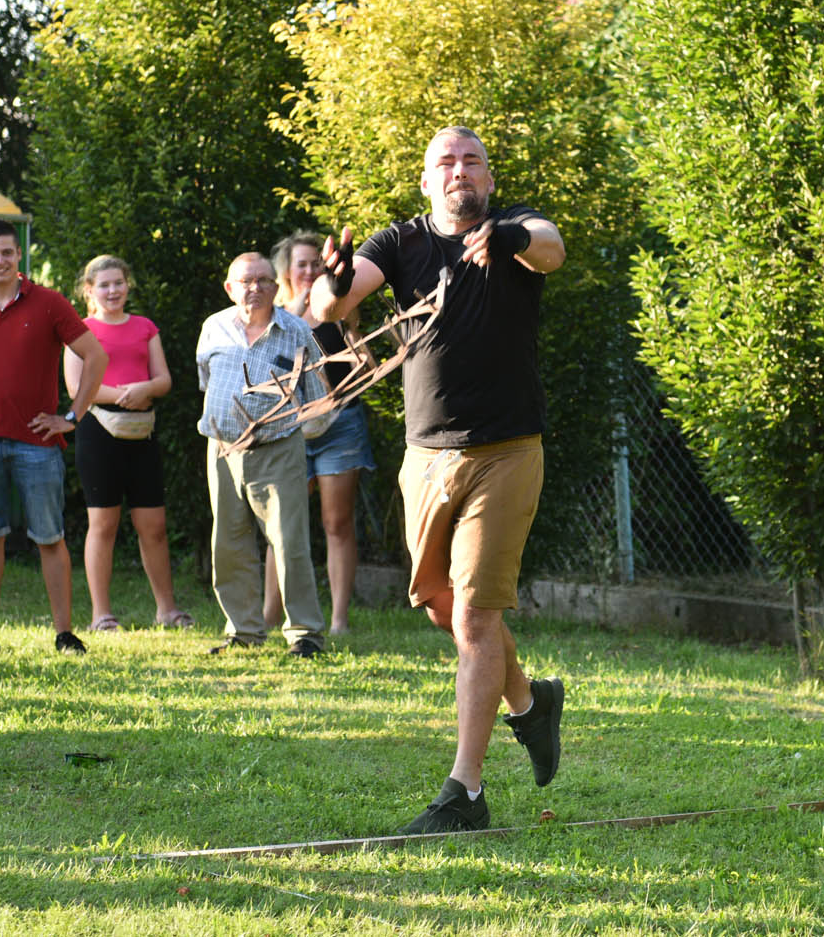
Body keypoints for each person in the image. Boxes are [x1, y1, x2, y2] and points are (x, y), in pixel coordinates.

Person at [312, 125, 567, 833]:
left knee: (477, 617)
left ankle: (467, 792)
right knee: (437, 602)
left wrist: (510, 242)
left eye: (471, 161)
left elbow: (551, 246)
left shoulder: (516, 227)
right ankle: (530, 702)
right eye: (445, 163)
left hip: (507, 450)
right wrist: (332, 285)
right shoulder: (400, 242)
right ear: (426, 181)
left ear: (489, 176)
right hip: (425, 453)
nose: (459, 171)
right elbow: (334, 303)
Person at [0, 219, 107, 654]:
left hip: (38, 443)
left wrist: (71, 415)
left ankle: (65, 634)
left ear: (19, 257)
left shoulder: (50, 303)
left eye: (7, 252)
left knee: (50, 538)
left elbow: (96, 356)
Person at [196, 252, 328, 658]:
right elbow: (206, 380)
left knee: (289, 543)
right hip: (221, 448)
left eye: (263, 280)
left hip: (277, 448)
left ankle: (305, 634)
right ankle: (244, 631)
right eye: (245, 281)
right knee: (229, 542)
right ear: (229, 287)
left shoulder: (296, 331)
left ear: (276, 286)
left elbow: (319, 397)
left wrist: (296, 435)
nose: (254, 288)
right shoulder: (213, 327)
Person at [63, 255, 190, 632]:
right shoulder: (77, 330)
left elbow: (163, 379)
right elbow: (75, 389)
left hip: (142, 433)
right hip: (98, 434)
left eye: (118, 283)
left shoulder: (145, 327)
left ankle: (167, 610)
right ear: (89, 290)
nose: (113, 290)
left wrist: (145, 389)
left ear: (128, 285)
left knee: (154, 525)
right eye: (104, 285)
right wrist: (122, 394)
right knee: (102, 524)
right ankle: (101, 615)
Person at [262, 232, 375, 636]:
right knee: (282, 524)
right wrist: (293, 311)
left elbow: (366, 364)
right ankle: (269, 617)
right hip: (289, 429)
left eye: (316, 264)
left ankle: (339, 620)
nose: (310, 271)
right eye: (302, 264)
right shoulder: (272, 314)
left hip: (340, 425)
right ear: (286, 272)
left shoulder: (340, 309)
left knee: (336, 523)